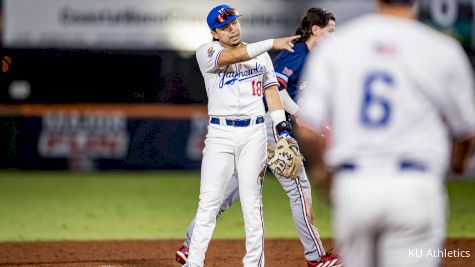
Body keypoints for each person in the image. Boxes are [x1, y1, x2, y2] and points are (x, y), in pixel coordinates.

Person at [296, 1, 475, 267]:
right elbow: (466, 131)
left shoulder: (339, 45)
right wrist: (458, 165)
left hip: (355, 188)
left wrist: (323, 170)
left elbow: (307, 127)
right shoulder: (441, 49)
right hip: (414, 187)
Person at [176, 7, 342, 267]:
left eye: (234, 23)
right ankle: (316, 257)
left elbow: (273, 90)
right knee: (215, 199)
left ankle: (208, 250)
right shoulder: (209, 52)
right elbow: (242, 62)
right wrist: (272, 44)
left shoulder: (282, 57)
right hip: (235, 130)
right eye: (225, 26)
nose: (232, 28)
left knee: (243, 199)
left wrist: (285, 128)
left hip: (257, 129)